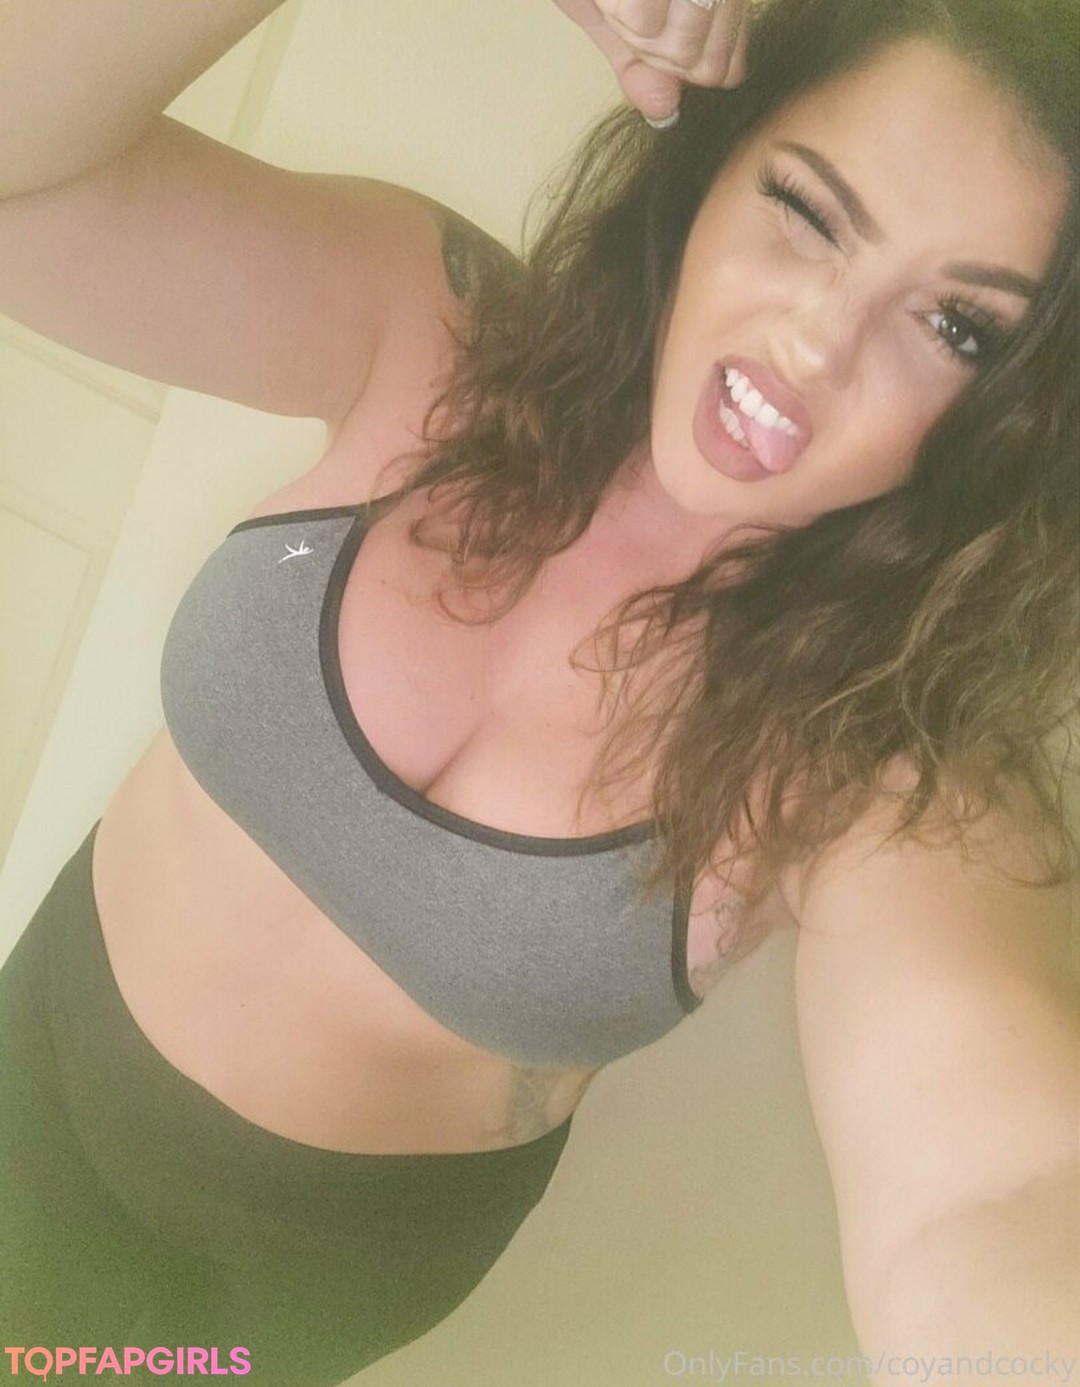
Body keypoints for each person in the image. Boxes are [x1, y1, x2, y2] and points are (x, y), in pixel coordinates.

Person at [0, 0, 1077, 1383]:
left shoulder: (877, 752)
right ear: (717, 160)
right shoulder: (439, 330)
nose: (817, 343)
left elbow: (992, 1199)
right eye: (809, 212)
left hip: (283, 1283)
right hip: (40, 1028)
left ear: (1019, 415)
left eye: (956, 324)